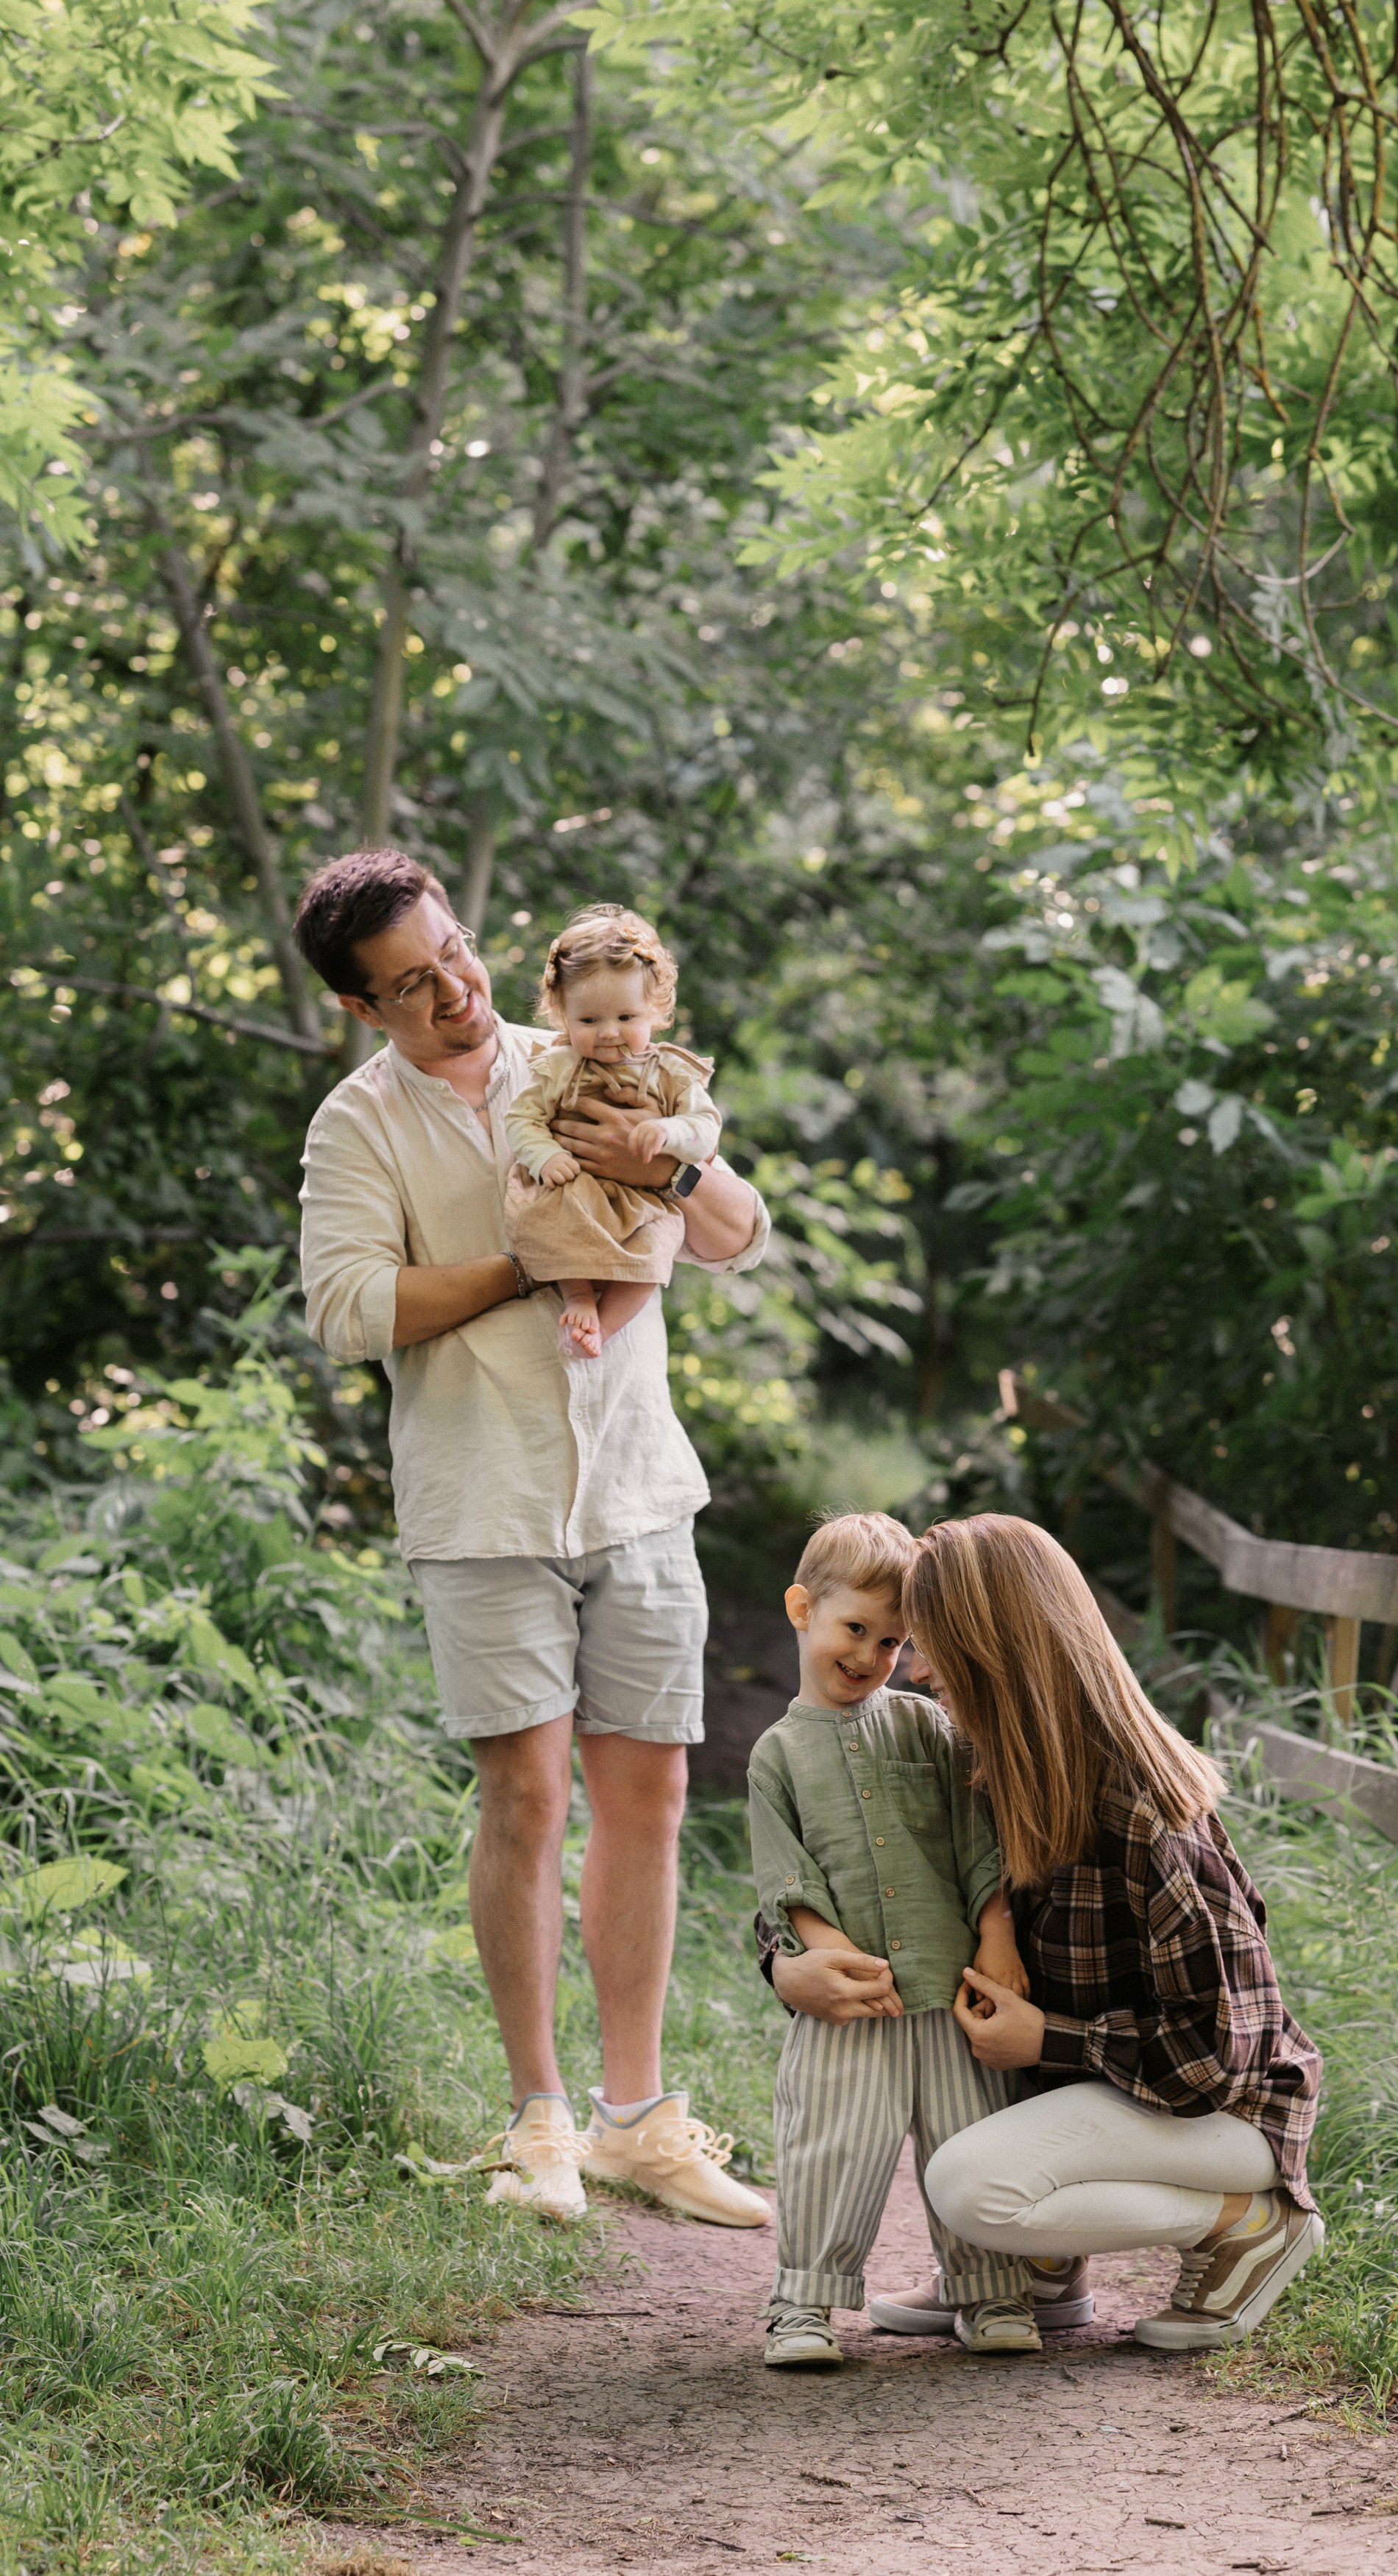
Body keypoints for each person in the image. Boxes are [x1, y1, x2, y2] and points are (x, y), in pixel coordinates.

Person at [294, 845, 769, 2231]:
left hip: (634, 1490)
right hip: (481, 1499)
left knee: (650, 1797)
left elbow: (738, 1227)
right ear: (359, 1009)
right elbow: (344, 1309)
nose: (452, 991)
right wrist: (533, 1264)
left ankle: (639, 2119)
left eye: (453, 955)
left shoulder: (584, 1048)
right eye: (409, 986)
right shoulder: (356, 1125)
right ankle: (538, 2120)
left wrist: (654, 1175)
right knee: (527, 1800)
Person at [771, 1515, 1324, 2351]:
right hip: (1116, 2094)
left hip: (1227, 2119)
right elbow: (851, 1864)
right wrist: (787, 1966)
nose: (913, 1668)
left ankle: (1243, 2221)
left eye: (934, 1645)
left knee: (966, 2184)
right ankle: (1039, 2264)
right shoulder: (984, 1767)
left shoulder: (1145, 1814)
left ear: (1002, 1653)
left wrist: (1052, 2038)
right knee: (967, 2137)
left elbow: (1218, 2059)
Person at [748, 1512, 1040, 2368]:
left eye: (892, 1640)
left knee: (971, 2133)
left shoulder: (926, 1728)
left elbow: (975, 1837)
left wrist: (996, 1930)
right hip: (853, 2002)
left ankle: (990, 2290)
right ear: (803, 1608)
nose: (873, 1655)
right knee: (831, 2141)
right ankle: (803, 2302)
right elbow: (784, 1874)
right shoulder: (775, 1755)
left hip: (954, 1993)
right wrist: (825, 1956)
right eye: (856, 1629)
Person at [503, 905, 723, 1362]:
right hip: (576, 1187)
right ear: (563, 1014)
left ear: (656, 1012)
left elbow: (706, 1128)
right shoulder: (558, 1067)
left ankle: (603, 1327)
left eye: (625, 1018)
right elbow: (520, 1120)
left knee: (655, 1251)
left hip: (643, 1201)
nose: (608, 1033)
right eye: (589, 1021)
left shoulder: (672, 1074)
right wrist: (543, 1155)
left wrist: (669, 1130)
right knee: (558, 1224)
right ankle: (579, 1296)